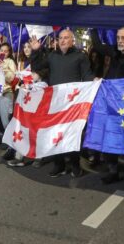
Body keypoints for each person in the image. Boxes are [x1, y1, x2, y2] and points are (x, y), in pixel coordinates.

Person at [30, 28, 95, 177]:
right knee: (54, 133)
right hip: (55, 102)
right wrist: (36, 51)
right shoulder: (52, 56)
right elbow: (37, 67)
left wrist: (94, 82)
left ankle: (74, 164)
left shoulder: (80, 56)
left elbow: (87, 76)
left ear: (72, 40)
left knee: (72, 134)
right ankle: (58, 165)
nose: (63, 40)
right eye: (60, 38)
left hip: (72, 103)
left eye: (66, 38)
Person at [90, 27, 124, 184]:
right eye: (118, 37)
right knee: (109, 135)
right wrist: (92, 26)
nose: (120, 41)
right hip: (110, 101)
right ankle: (113, 170)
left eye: (123, 38)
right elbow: (97, 45)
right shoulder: (113, 51)